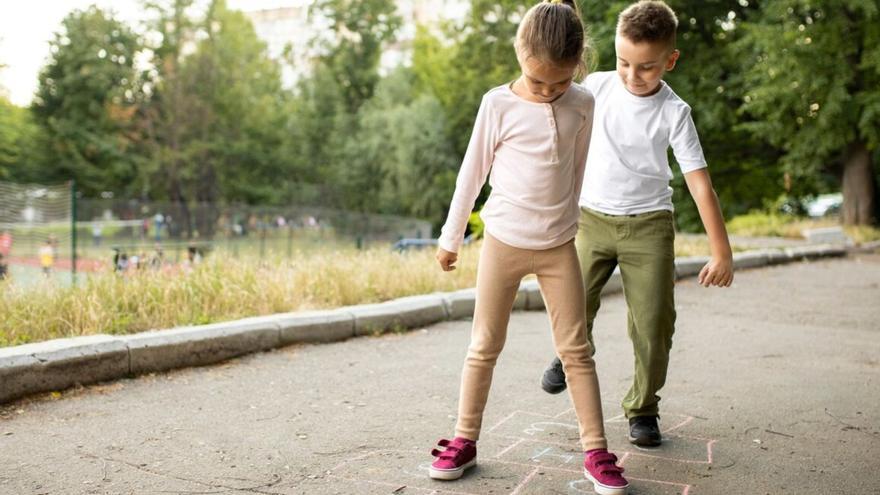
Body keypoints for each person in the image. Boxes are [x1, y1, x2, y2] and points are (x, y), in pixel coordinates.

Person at [430, 1, 628, 493]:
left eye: (558, 84)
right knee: (484, 345)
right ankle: (464, 438)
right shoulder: (496, 104)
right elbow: (471, 174)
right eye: (537, 82)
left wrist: (574, 223)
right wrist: (451, 237)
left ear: (577, 67)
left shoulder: (583, 102)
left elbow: (578, 170)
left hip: (559, 245)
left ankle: (597, 449)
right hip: (503, 241)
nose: (546, 92)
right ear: (519, 55)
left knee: (576, 350)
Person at [539, 0, 734, 448]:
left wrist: (721, 251)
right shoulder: (597, 86)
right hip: (590, 218)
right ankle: (567, 355)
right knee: (573, 305)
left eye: (646, 67)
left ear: (671, 60)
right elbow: (553, 87)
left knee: (653, 323)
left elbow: (701, 186)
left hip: (649, 226)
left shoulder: (675, 112)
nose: (632, 75)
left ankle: (643, 408)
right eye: (624, 61)